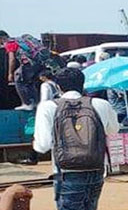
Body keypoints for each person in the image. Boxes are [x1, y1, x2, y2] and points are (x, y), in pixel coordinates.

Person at [32, 67, 119, 210]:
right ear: (82, 84)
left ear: (58, 87)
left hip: (66, 172)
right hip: (96, 168)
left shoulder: (48, 107)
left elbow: (43, 146)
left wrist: (35, 143)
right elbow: (113, 130)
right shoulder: (101, 104)